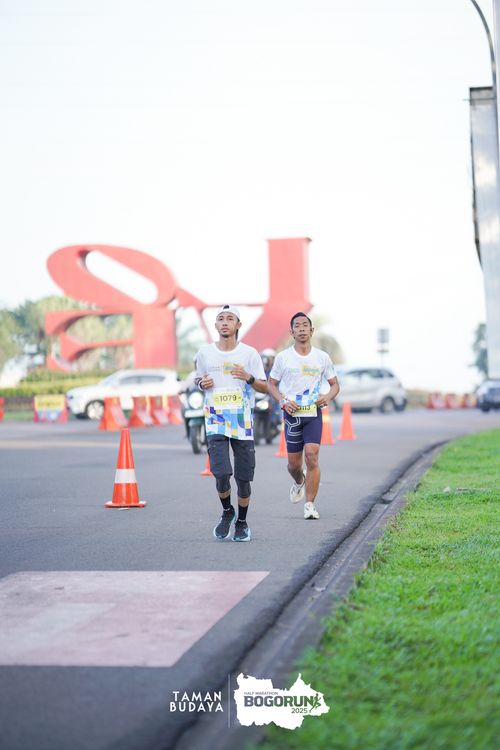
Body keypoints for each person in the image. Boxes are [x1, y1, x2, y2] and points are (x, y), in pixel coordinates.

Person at [195, 305, 267, 542]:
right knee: (221, 473)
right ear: (216, 325)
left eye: (230, 319)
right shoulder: (205, 353)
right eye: (220, 319)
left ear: (238, 325)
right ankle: (227, 511)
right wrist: (201, 383)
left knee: (243, 478)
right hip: (215, 420)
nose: (225, 322)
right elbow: (198, 378)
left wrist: (248, 377)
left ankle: (242, 522)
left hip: (242, 423)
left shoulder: (249, 354)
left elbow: (265, 387)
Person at [267, 312, 340, 520]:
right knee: (294, 465)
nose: (301, 329)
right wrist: (282, 401)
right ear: (292, 332)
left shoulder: (322, 357)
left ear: (311, 330)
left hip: (312, 414)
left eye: (304, 325)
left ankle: (310, 505)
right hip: (292, 415)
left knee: (312, 455)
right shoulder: (283, 358)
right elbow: (271, 384)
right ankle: (299, 481)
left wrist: (327, 397)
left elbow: (335, 385)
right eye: (297, 326)